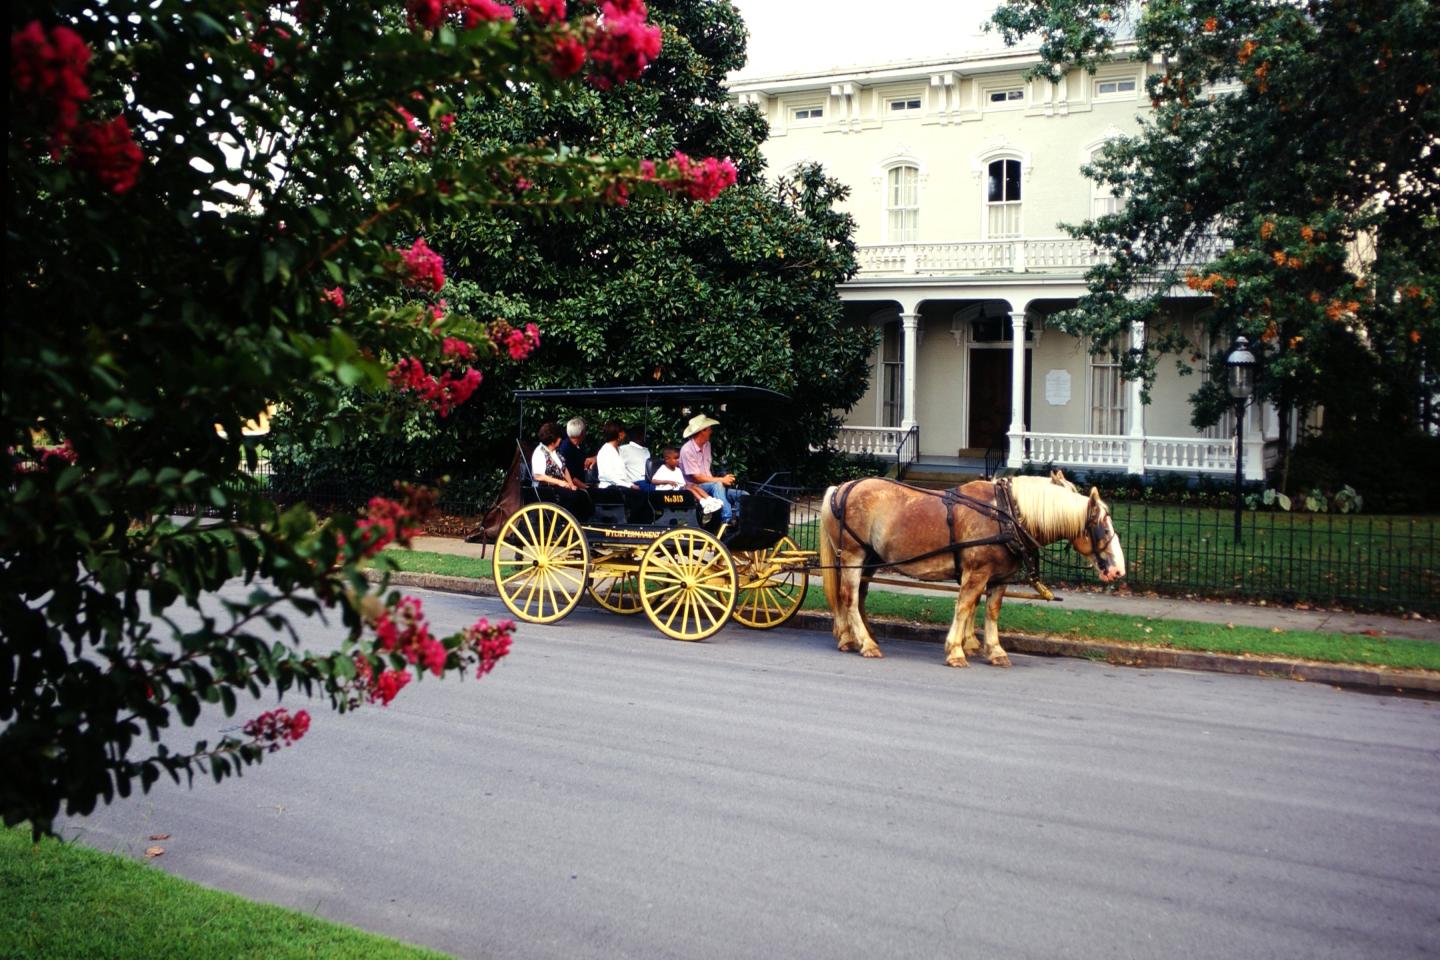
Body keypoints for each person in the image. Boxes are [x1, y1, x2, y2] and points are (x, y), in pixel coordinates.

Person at [678, 413, 746, 522]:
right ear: (702, 431)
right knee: (717, 484)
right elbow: (697, 478)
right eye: (709, 429)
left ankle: (738, 522)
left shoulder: (707, 445)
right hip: (696, 488)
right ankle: (727, 519)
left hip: (711, 486)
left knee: (743, 495)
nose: (711, 431)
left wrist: (724, 480)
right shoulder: (687, 450)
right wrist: (721, 480)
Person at [530, 421, 592, 520]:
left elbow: (564, 469)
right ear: (552, 439)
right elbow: (538, 476)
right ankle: (568, 522)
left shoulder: (555, 452)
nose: (561, 440)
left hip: (559, 487)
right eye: (559, 438)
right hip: (547, 488)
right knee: (573, 497)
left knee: (582, 494)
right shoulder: (539, 452)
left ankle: (584, 522)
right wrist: (560, 482)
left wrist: (571, 485)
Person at [652, 446, 721, 514]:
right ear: (667, 459)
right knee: (688, 488)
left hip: (679, 489)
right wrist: (667, 481)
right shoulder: (663, 469)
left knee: (693, 485)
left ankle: (710, 500)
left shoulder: (678, 470)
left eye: (678, 458)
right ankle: (703, 503)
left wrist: (689, 484)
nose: (678, 460)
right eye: (675, 458)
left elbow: (682, 483)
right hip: (668, 493)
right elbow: (653, 481)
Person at [557, 417, 593, 487]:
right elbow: (569, 474)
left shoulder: (580, 445)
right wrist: (586, 487)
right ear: (582, 433)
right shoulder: (565, 448)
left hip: (582, 481)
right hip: (572, 487)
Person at [619, 422, 653, 490]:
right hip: (636, 483)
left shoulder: (646, 451)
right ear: (639, 436)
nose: (646, 436)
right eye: (644, 434)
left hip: (649, 482)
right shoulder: (623, 449)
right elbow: (610, 456)